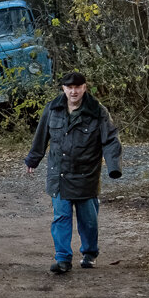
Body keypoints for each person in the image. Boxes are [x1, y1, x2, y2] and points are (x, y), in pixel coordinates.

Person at [25, 71, 123, 274]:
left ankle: (89, 253)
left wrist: (114, 167)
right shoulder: (53, 109)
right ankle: (63, 259)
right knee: (61, 217)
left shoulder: (97, 112)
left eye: (77, 87)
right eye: (69, 88)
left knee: (88, 220)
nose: (73, 91)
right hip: (59, 174)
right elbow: (41, 135)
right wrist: (33, 159)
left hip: (86, 174)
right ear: (64, 89)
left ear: (84, 88)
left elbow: (111, 139)